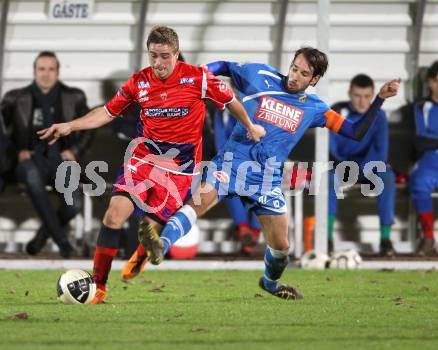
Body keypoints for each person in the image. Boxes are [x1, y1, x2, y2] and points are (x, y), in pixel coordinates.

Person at [137, 47, 400, 301]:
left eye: (304, 74)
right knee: (199, 202)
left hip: (266, 180)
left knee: (282, 247)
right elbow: (226, 66)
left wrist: (380, 99)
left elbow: (355, 131)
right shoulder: (259, 74)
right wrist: (200, 73)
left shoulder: (315, 107)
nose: (295, 76)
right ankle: (161, 244)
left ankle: (270, 283)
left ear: (315, 79)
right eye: (294, 68)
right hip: (232, 163)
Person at [38, 25, 264, 304]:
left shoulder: (199, 78)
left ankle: (143, 254)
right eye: (153, 56)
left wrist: (250, 126)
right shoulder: (138, 82)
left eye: (165, 56)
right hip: (143, 160)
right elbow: (107, 112)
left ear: (177, 54)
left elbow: (231, 100)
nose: (158, 63)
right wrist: (71, 126)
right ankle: (99, 288)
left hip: (181, 170)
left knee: (150, 229)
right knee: (113, 215)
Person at [0, 51, 91, 257]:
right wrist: (17, 153)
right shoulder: (15, 98)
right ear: (34, 71)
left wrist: (74, 151)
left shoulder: (73, 97)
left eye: (51, 69)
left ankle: (41, 238)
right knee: (31, 175)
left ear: (58, 72)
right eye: (42, 69)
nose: (46, 74)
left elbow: (89, 128)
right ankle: (64, 245)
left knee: (74, 204)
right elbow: (2, 135)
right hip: (29, 161)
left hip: (61, 161)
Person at [328, 74, 396, 256]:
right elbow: (333, 147)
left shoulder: (379, 116)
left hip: (369, 168)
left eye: (367, 96)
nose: (362, 101)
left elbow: (381, 152)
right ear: (350, 93)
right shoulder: (337, 112)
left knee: (387, 177)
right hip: (341, 166)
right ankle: (326, 239)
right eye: (358, 96)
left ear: (374, 95)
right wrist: (346, 165)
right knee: (326, 178)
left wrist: (362, 167)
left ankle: (385, 239)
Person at [214, 108, 261, 254]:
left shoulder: (257, 108)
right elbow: (219, 139)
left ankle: (247, 229)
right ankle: (249, 230)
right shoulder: (220, 113)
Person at [408, 60, 438, 256]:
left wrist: (434, 139)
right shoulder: (421, 107)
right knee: (419, 182)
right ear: (429, 82)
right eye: (437, 81)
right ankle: (428, 237)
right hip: (430, 160)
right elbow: (420, 140)